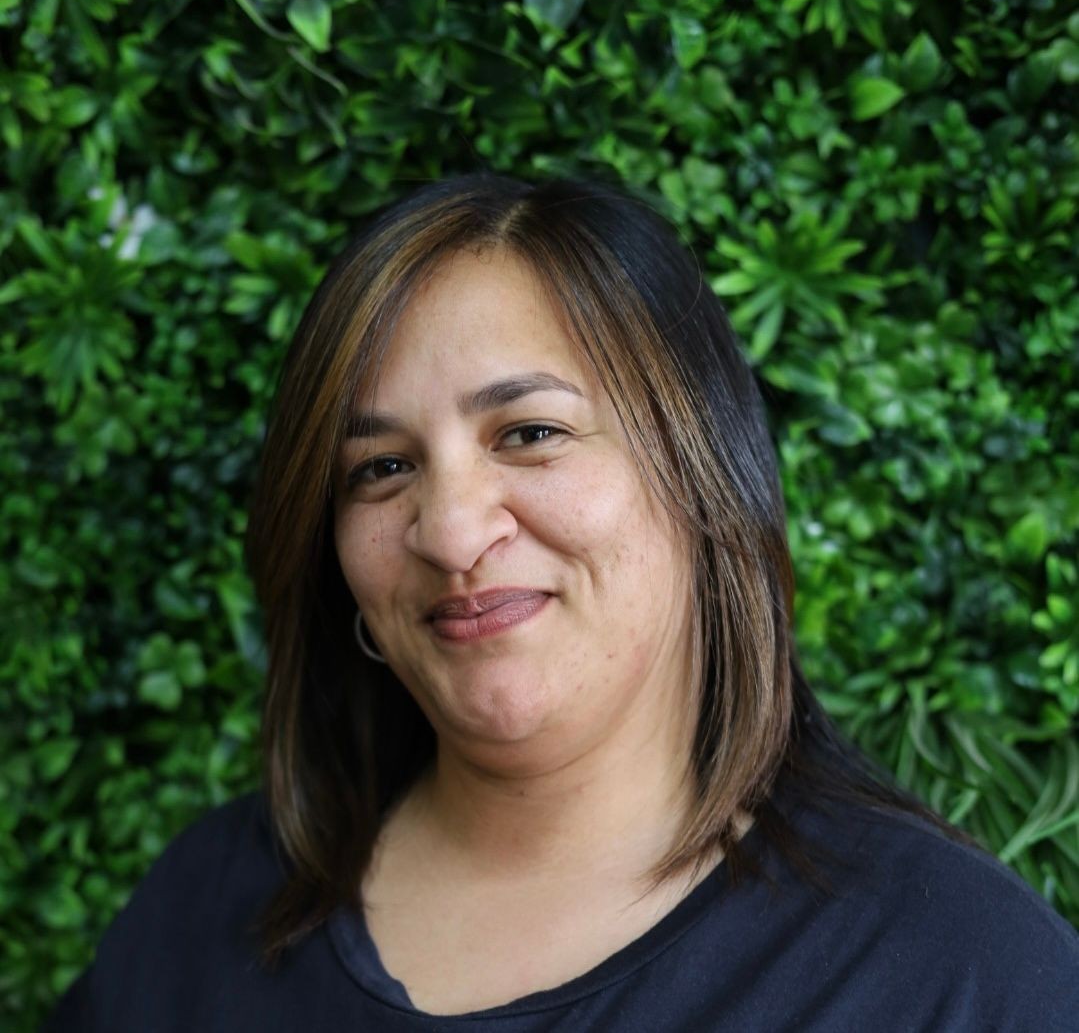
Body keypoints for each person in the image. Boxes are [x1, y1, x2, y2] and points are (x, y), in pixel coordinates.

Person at [46, 174, 1078, 1031]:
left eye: (529, 431)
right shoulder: (208, 907)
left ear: (701, 467)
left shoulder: (956, 976)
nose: (449, 531)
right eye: (380, 467)